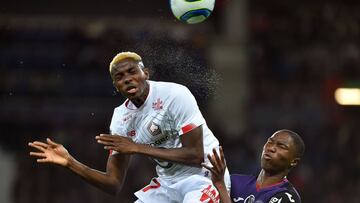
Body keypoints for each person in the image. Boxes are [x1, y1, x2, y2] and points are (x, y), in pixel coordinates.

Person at [28, 51, 230, 203]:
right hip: (167, 184)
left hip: (204, 176)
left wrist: (137, 147)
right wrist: (70, 162)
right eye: (120, 77)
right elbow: (113, 184)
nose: (127, 79)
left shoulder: (175, 95)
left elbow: (195, 155)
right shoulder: (120, 119)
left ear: (146, 73)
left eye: (132, 71)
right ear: (116, 86)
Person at [202, 129, 305, 203]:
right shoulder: (234, 181)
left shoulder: (287, 197)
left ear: (294, 161)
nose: (271, 148)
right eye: (270, 142)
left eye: (281, 146)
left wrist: (220, 186)